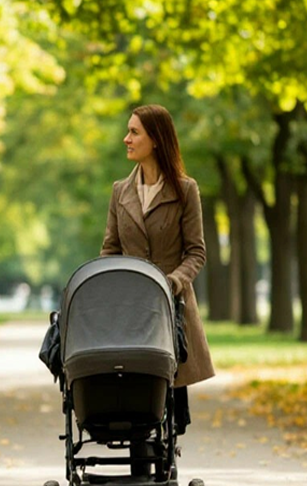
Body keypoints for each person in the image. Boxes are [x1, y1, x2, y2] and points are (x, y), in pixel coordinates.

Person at [100, 104, 215, 437]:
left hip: (171, 307)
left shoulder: (185, 190)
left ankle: (167, 464)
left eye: (134, 132)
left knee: (170, 395)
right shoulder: (120, 191)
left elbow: (196, 251)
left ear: (157, 140)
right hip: (130, 308)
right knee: (133, 390)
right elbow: (110, 249)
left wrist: (173, 282)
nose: (126, 139)